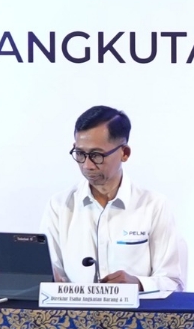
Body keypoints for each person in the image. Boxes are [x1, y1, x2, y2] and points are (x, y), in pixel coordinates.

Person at [40, 106, 184, 291]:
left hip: (139, 310)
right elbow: (48, 276)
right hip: (75, 309)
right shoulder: (60, 206)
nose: (87, 165)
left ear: (125, 153)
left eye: (96, 155)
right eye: (80, 154)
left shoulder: (153, 206)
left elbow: (173, 283)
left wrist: (138, 284)